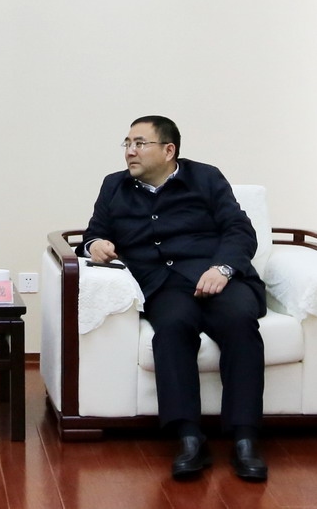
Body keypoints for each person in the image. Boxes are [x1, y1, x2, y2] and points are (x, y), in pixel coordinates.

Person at [75, 116, 269, 481]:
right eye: (127, 143)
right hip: (163, 284)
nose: (130, 151)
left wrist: (223, 268)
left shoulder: (206, 177)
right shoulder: (114, 185)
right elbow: (92, 234)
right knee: (172, 329)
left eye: (140, 143)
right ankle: (190, 438)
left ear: (169, 150)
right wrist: (95, 244)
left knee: (240, 324)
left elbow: (239, 230)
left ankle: (245, 439)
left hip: (218, 277)